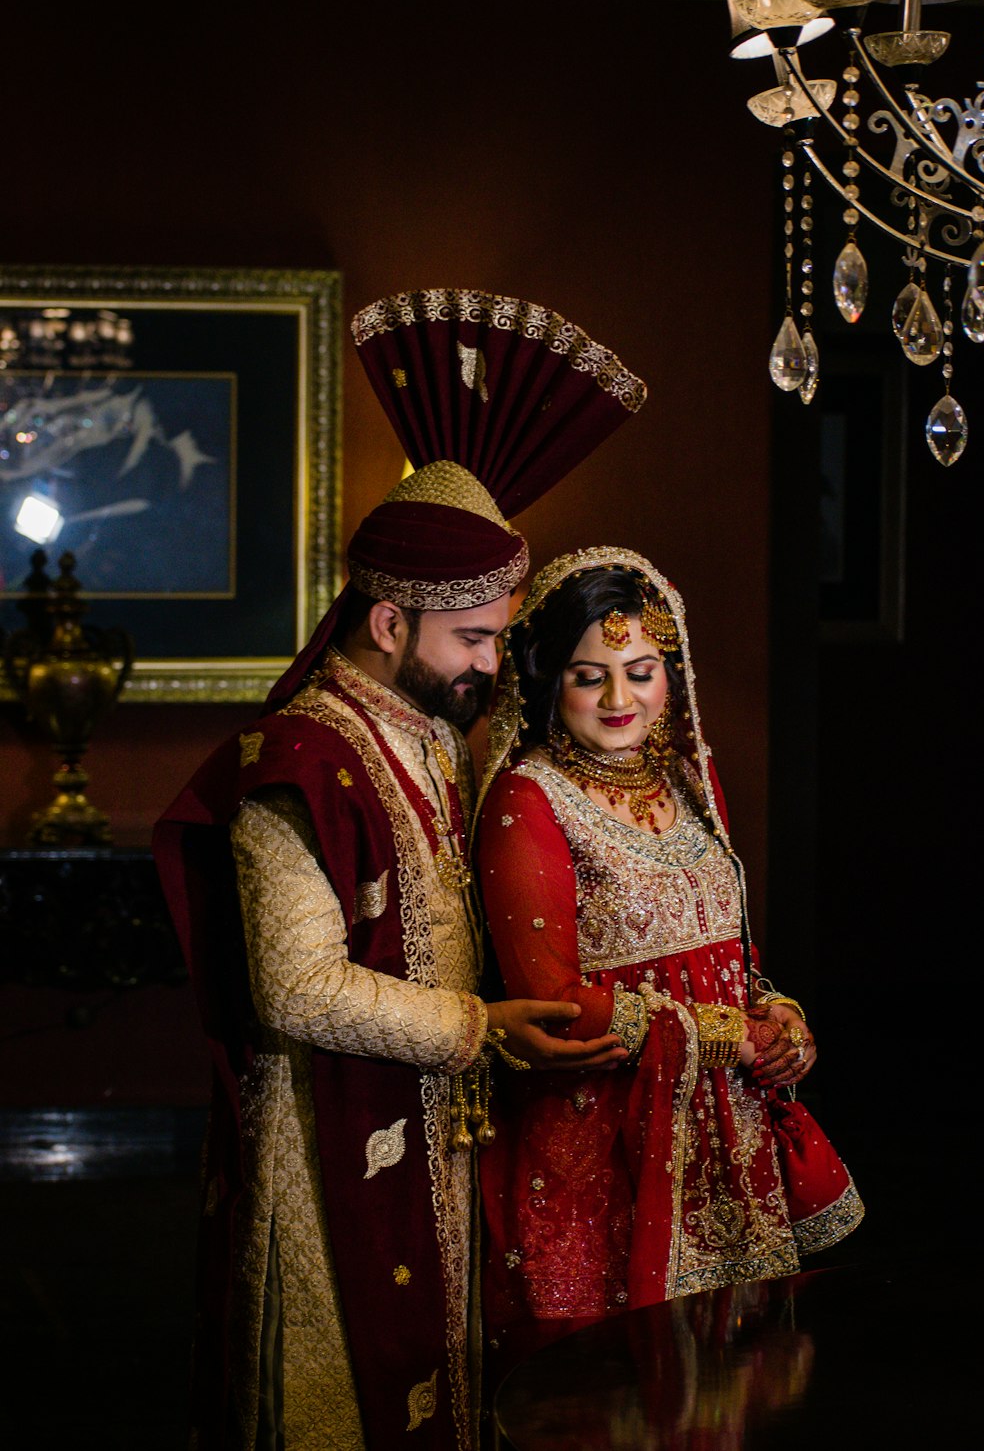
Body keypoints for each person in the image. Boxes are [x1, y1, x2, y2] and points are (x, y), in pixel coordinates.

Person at [152, 290, 647, 1451]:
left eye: (496, 636)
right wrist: (479, 1028)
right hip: (332, 1144)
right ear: (386, 627)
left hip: (449, 1131)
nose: (489, 664)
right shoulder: (297, 765)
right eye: (471, 640)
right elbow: (297, 990)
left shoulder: (434, 739)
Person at [474, 547, 864, 1375]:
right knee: (609, 1397)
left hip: (730, 1145)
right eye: (589, 677)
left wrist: (780, 1014)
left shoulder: (687, 780)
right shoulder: (528, 798)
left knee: (729, 1387)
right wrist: (726, 1036)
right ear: (548, 682)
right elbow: (548, 1002)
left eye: (642, 670)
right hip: (599, 1151)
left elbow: (733, 949)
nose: (622, 700)